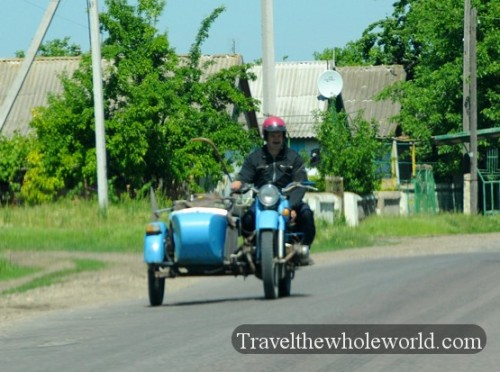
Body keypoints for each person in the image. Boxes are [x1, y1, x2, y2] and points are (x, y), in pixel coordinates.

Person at [230, 115, 316, 263]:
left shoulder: (293, 158)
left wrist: (292, 206)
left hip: (287, 200)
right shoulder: (255, 158)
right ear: (266, 136)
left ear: (283, 136)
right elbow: (245, 177)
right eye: (272, 135)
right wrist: (239, 184)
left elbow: (300, 183)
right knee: (246, 220)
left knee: (306, 215)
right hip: (262, 201)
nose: (276, 139)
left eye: (279, 135)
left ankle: (302, 249)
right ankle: (250, 246)